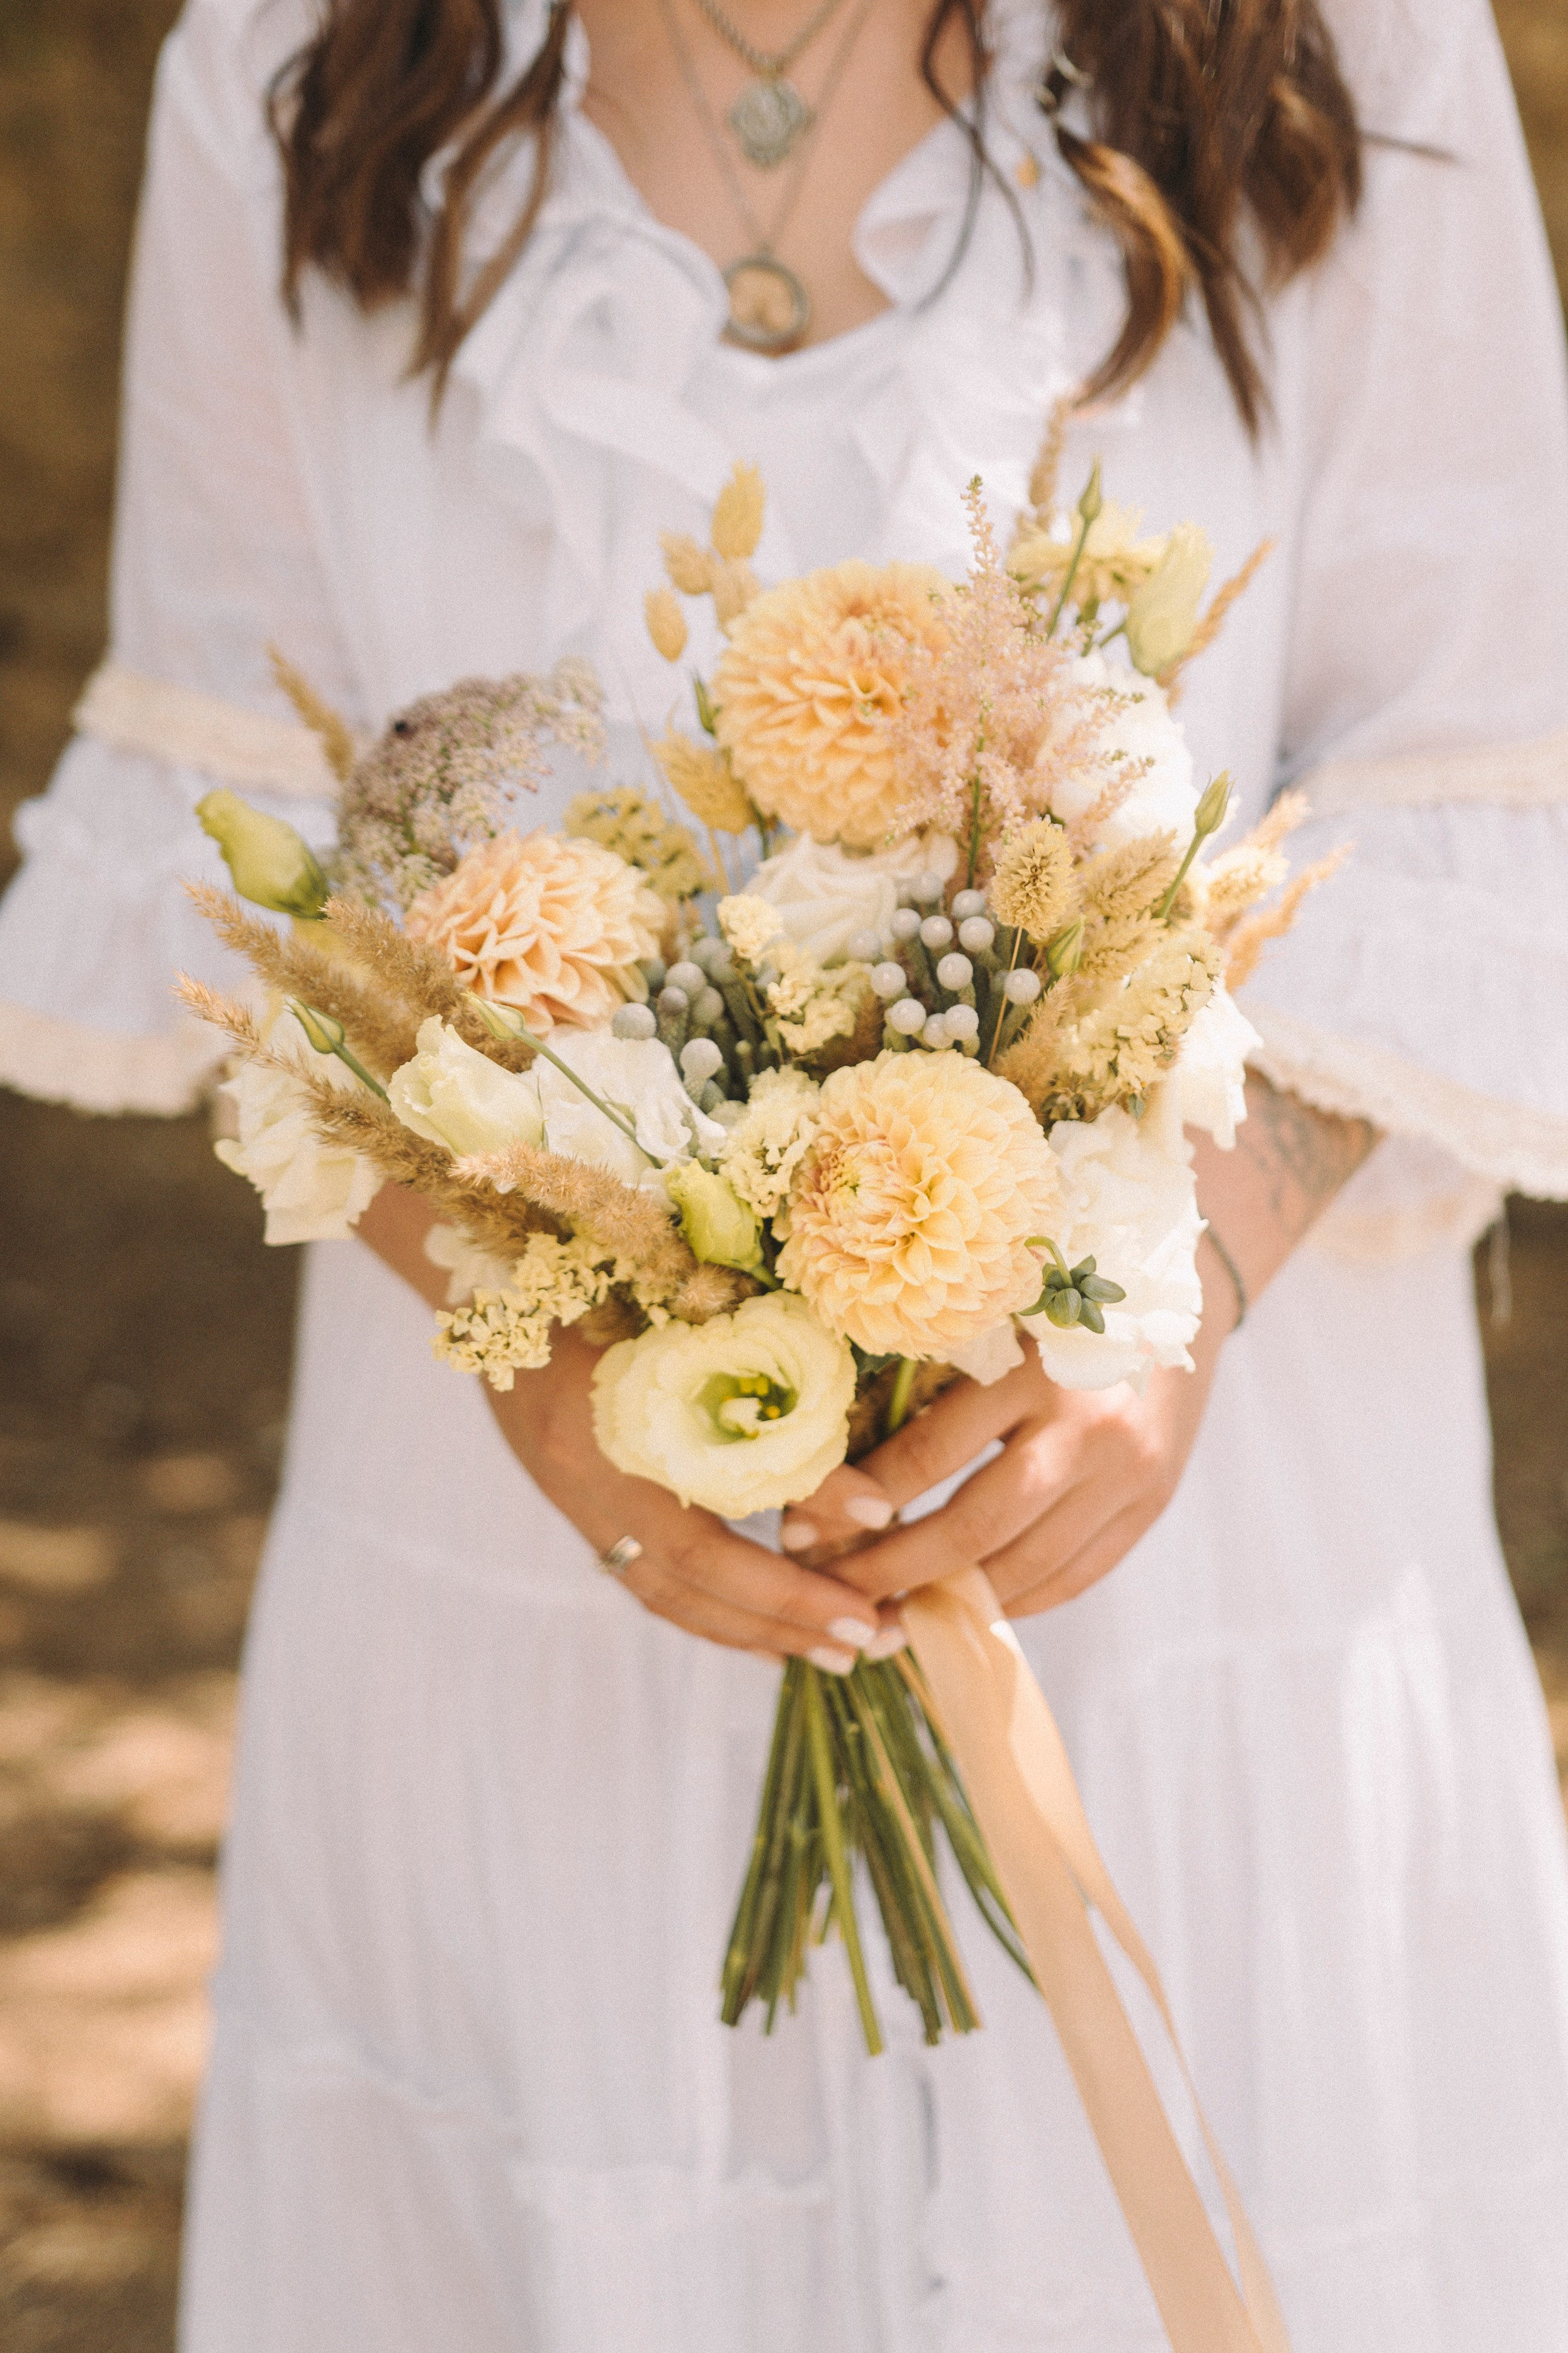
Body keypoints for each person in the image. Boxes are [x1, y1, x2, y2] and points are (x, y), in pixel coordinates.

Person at [3, 0, 1567, 2342]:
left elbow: (1471, 769)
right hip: (519, 1576)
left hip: (1193, 1547)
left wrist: (1179, 1296)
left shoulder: (1335, 41)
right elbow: (260, 822)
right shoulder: (299, 55)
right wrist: (537, 1323)